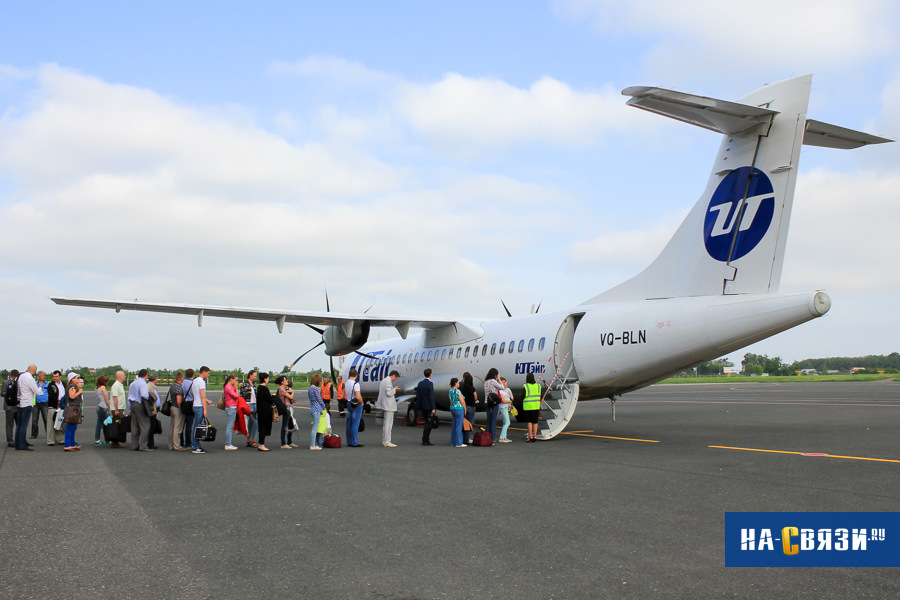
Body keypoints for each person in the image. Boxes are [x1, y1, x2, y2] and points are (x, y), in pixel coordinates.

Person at [16, 365, 41, 451]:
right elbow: (36, 391)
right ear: (35, 370)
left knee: (19, 424)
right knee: (24, 425)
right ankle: (22, 444)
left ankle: (17, 443)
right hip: (27, 403)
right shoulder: (30, 378)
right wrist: (40, 388)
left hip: (20, 402)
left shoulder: (21, 376)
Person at [128, 369, 153, 452]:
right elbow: (144, 395)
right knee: (145, 424)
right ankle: (143, 445)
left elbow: (129, 396)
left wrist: (129, 408)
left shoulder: (133, 383)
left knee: (134, 425)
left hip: (132, 404)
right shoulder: (143, 383)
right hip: (140, 404)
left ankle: (134, 445)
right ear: (146, 375)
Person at [376, 370, 400, 447]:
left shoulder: (383, 381)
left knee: (386, 424)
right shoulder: (388, 382)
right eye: (395, 378)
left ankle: (385, 441)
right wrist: (395, 389)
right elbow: (389, 393)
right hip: (389, 405)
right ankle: (387, 441)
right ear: (393, 376)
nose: (395, 380)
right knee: (388, 425)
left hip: (385, 404)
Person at [190, 366, 211, 454]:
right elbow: (202, 396)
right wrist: (205, 409)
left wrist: (206, 400)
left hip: (195, 404)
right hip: (199, 406)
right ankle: (195, 446)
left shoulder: (195, 380)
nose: (208, 375)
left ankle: (195, 445)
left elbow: (197, 394)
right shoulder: (201, 382)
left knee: (196, 426)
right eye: (208, 373)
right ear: (204, 372)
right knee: (198, 427)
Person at [63, 372, 84, 451]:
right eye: (77, 378)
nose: (78, 379)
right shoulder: (72, 386)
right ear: (72, 379)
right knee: (70, 427)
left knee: (73, 427)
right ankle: (67, 444)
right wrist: (79, 392)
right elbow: (72, 396)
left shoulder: (73, 386)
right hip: (72, 409)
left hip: (75, 408)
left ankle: (72, 443)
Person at [167, 372, 187, 451]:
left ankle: (170, 444)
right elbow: (179, 400)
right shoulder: (179, 388)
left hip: (172, 407)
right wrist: (181, 407)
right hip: (177, 408)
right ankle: (177, 445)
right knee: (177, 427)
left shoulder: (172, 386)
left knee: (172, 427)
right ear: (182, 378)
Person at [46, 370, 66, 446]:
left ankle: (59, 439)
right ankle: (50, 440)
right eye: (53, 376)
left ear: (60, 377)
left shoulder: (64, 384)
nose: (55, 378)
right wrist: (57, 400)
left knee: (60, 422)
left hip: (62, 406)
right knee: (51, 423)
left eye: (56, 376)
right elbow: (51, 395)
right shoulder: (51, 385)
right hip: (53, 406)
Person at [416, 368, 435, 446]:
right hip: (428, 406)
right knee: (428, 424)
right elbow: (431, 396)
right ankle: (426, 440)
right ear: (430, 374)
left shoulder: (420, 383)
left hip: (423, 406)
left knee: (426, 422)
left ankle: (425, 439)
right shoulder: (430, 384)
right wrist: (433, 407)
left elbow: (418, 396)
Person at [344, 369, 364, 447]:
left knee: (349, 423)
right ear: (356, 375)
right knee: (355, 423)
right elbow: (358, 396)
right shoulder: (356, 384)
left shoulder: (347, 383)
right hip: (356, 404)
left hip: (349, 402)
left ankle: (349, 441)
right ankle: (354, 442)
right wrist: (362, 403)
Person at [255, 372, 274, 452]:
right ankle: (262, 445)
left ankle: (260, 444)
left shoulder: (259, 388)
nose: (268, 380)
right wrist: (273, 397)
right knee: (264, 428)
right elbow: (270, 399)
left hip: (260, 410)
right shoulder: (264, 389)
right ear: (265, 379)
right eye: (267, 378)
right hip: (265, 411)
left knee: (261, 427)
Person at [240, 370, 258, 448]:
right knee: (255, 422)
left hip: (254, 404)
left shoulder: (254, 385)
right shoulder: (244, 385)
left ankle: (248, 440)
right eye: (254, 376)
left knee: (251, 423)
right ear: (250, 375)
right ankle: (254, 440)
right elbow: (241, 396)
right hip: (248, 404)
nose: (255, 377)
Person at [484, 368, 502, 442]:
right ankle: (493, 438)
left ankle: (486, 437)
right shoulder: (493, 381)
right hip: (493, 402)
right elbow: (502, 387)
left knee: (489, 420)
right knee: (493, 421)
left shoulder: (486, 382)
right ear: (495, 375)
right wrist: (499, 378)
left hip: (486, 402)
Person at [276, 376, 294, 449]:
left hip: (288, 407)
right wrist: (292, 392)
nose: (287, 381)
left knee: (291, 425)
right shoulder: (281, 389)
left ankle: (289, 442)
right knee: (285, 426)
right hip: (285, 408)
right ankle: (283, 443)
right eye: (285, 380)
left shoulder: (283, 389)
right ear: (282, 382)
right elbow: (291, 397)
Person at [523, 372, 542, 443]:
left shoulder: (526, 386)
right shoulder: (538, 386)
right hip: (536, 406)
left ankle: (529, 436)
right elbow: (540, 395)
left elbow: (523, 396)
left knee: (529, 422)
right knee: (535, 422)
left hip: (528, 406)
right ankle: (535, 436)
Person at [459, 372, 478, 444]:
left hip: (464, 406)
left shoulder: (461, 387)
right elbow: (475, 397)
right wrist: (475, 400)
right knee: (469, 423)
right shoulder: (472, 388)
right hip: (471, 406)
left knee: (462, 423)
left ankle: (460, 438)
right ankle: (466, 439)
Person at [307, 374, 325, 450]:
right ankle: (312, 444)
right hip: (317, 408)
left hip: (312, 408)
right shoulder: (315, 389)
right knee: (315, 428)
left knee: (314, 427)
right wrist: (323, 406)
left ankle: (313, 444)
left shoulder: (310, 388)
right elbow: (319, 398)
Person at [3, 369, 20, 448]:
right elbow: (2, 393)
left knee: (19, 424)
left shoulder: (18, 383)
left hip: (17, 406)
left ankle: (19, 439)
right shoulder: (5, 383)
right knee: (9, 425)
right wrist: (9, 392)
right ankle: (10, 441)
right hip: (9, 406)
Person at [223, 374, 240, 450]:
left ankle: (228, 443)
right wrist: (236, 389)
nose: (236, 382)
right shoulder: (228, 387)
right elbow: (236, 396)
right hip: (231, 407)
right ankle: (228, 444)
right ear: (231, 379)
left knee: (230, 426)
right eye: (235, 380)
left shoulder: (230, 386)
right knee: (230, 426)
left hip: (232, 407)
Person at [30, 371, 48, 440]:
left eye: (44, 375)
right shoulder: (34, 384)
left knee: (46, 419)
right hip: (36, 403)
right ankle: (34, 434)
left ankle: (48, 434)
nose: (43, 376)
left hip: (45, 403)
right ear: (38, 377)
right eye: (42, 375)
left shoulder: (47, 384)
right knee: (34, 420)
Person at [448, 377, 466, 448]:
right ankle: (459, 442)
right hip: (459, 408)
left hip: (452, 408)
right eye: (458, 382)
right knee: (459, 426)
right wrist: (465, 408)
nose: (459, 384)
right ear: (455, 383)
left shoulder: (450, 391)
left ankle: (453, 441)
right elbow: (462, 401)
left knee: (454, 425)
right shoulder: (458, 391)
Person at [181, 368, 195, 449]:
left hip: (183, 404)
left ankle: (181, 441)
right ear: (192, 375)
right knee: (189, 425)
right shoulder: (192, 383)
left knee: (181, 425)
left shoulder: (182, 383)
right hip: (190, 404)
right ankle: (188, 442)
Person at [94, 375, 110, 445]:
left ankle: (97, 439)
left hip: (99, 407)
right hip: (103, 407)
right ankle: (108, 439)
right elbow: (106, 399)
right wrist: (109, 407)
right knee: (106, 424)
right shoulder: (103, 387)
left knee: (99, 425)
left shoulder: (96, 388)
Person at [147, 373, 161, 449]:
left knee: (152, 426)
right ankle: (150, 444)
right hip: (152, 410)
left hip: (154, 409)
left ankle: (151, 443)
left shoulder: (151, 386)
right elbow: (151, 399)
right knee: (151, 427)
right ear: (155, 379)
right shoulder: (150, 387)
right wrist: (152, 409)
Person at [497, 377, 513, 443]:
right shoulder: (499, 391)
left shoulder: (508, 389)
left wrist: (510, 400)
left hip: (506, 407)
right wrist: (509, 401)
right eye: (502, 382)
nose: (504, 383)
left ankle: (504, 437)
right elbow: (503, 400)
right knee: (507, 422)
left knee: (505, 422)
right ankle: (501, 438)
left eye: (504, 382)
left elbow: (512, 397)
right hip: (503, 407)